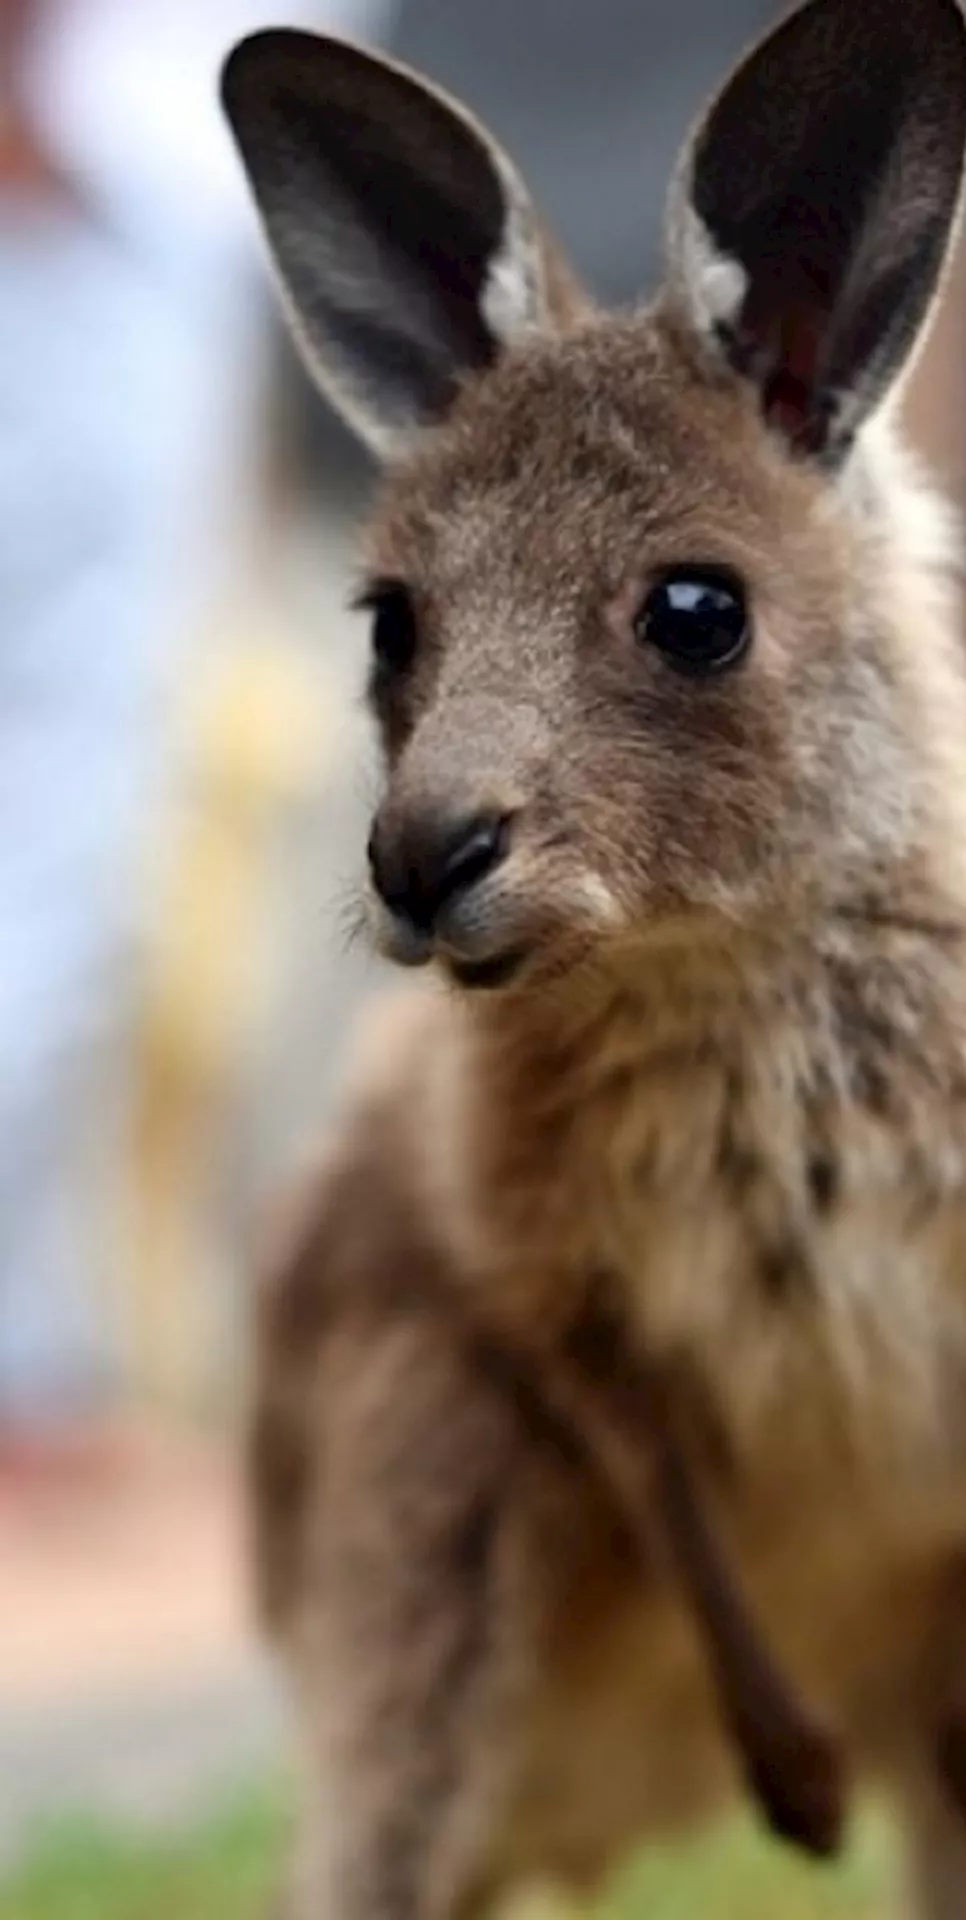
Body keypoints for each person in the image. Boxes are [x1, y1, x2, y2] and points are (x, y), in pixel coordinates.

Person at [0, 0, 386, 1474]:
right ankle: (28, 1374)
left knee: (111, 868)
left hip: (155, 229)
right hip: (89, 211)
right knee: (62, 865)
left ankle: (40, 1361)